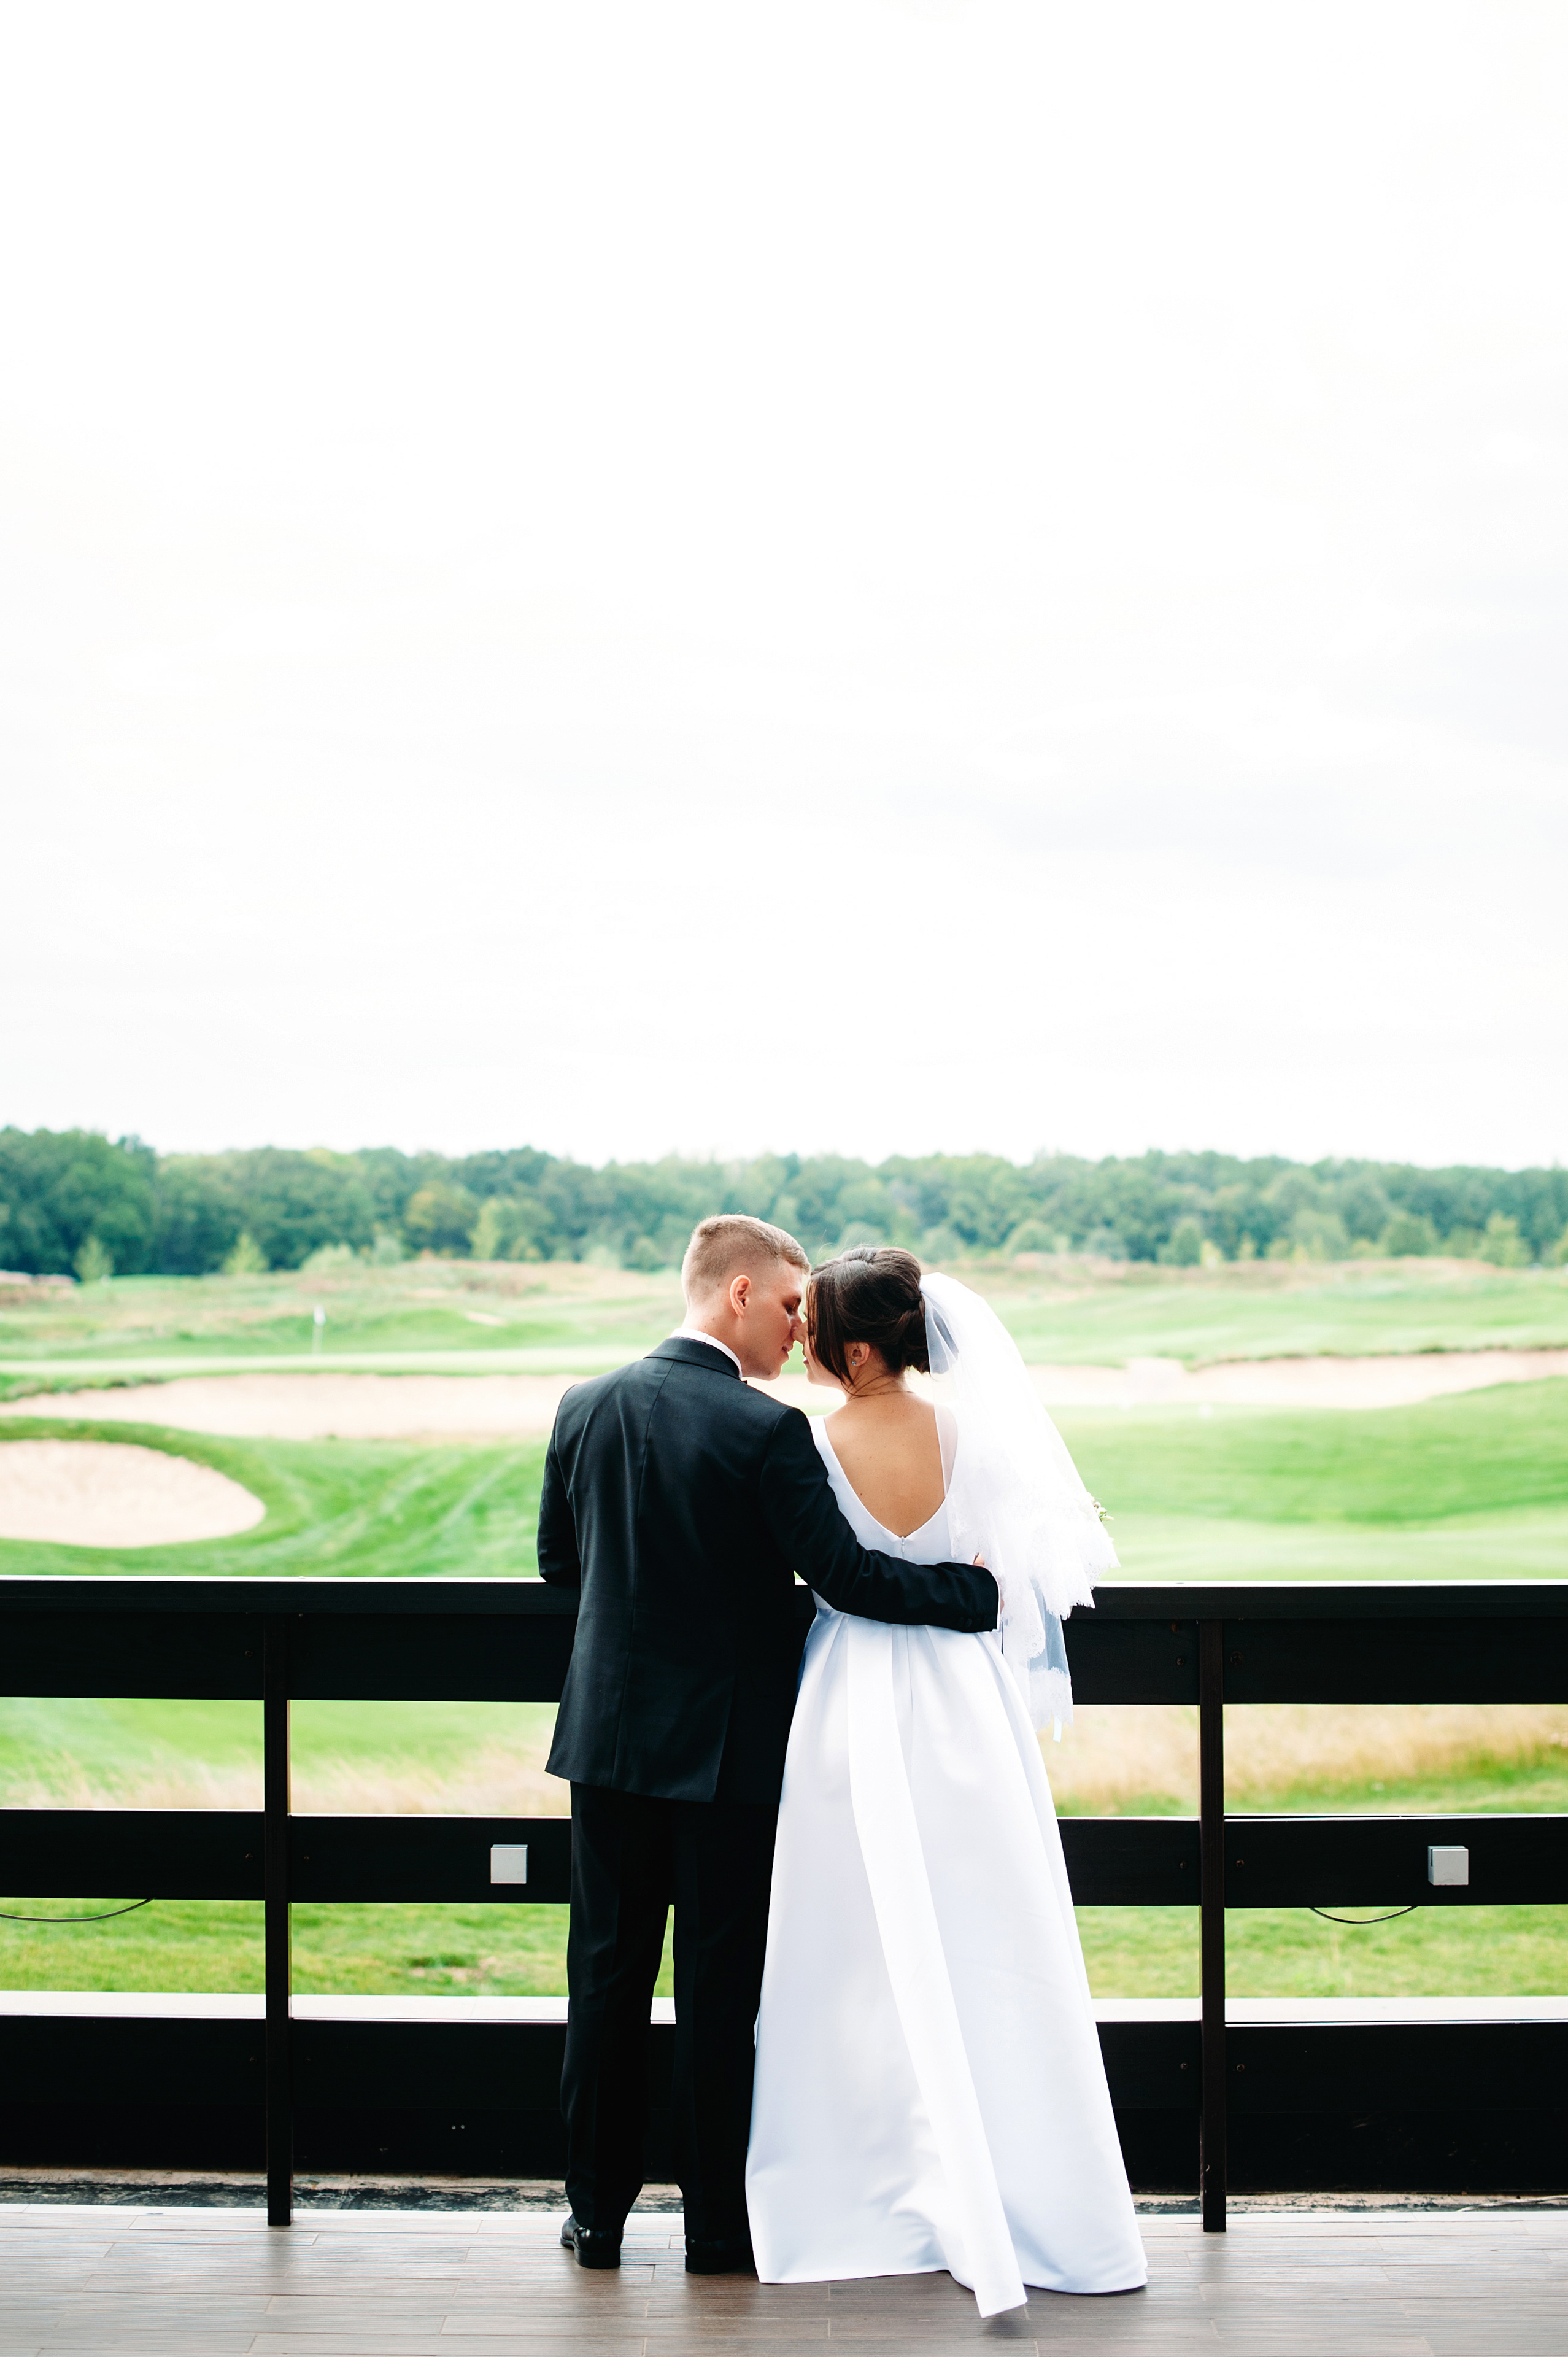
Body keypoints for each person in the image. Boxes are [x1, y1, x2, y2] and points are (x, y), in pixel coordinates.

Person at [536, 1215, 998, 2277]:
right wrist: (975, 1592)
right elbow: (848, 1578)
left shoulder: (584, 1405)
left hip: (605, 1744)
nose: (803, 1329)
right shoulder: (766, 1433)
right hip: (729, 1754)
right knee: (718, 1992)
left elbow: (561, 1568)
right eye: (792, 1305)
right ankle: (716, 2230)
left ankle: (595, 2217)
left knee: (603, 1983)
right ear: (738, 1293)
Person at [746, 1247, 1148, 2317]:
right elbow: (1006, 1586)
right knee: (990, 1931)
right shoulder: (979, 1434)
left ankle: (868, 2191)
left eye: (816, 1324)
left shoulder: (811, 1442)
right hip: (969, 1704)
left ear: (860, 1347)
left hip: (852, 1699)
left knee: (850, 1947)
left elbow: (828, 1573)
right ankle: (1024, 2190)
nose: (803, 1338)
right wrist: (966, 1595)